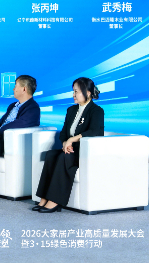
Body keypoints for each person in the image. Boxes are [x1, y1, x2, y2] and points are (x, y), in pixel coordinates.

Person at [34, 77, 104, 213]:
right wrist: (65, 142)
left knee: (63, 158)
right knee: (51, 155)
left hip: (85, 152)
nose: (73, 95)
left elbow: (94, 131)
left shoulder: (96, 111)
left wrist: (73, 140)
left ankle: (55, 201)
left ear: (88, 93)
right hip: (71, 149)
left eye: (76, 92)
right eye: (73, 91)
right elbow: (64, 132)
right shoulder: (71, 110)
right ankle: (44, 198)